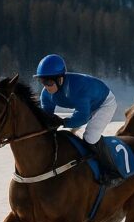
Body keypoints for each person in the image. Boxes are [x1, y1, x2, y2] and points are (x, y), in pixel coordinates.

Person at [34, 54, 122, 188]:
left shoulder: (78, 87)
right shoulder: (46, 95)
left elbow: (82, 118)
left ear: (60, 79)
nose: (46, 87)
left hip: (105, 103)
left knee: (90, 137)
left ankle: (112, 172)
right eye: (42, 82)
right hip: (88, 104)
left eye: (49, 82)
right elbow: (47, 118)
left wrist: (63, 122)